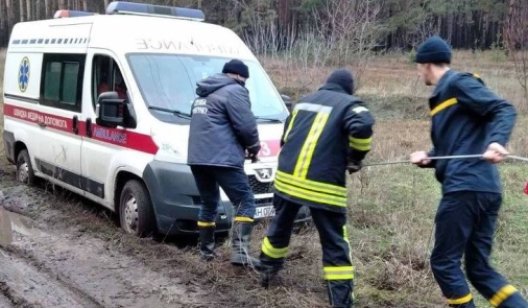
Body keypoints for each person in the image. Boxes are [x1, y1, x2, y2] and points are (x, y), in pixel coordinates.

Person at [410, 36, 528, 308]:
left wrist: (497, 141)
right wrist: (428, 157)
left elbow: (504, 108)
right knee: (478, 269)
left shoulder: (458, 82)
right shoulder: (444, 98)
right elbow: (455, 146)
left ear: (426, 64)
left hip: (464, 189)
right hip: (485, 189)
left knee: (443, 263)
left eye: (418, 66)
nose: (418, 72)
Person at [258, 69, 375, 308]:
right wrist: (355, 157)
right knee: (334, 242)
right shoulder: (351, 105)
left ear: (327, 84)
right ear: (348, 88)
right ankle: (341, 301)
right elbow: (363, 125)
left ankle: (267, 271)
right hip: (322, 187)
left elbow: (285, 138)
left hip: (286, 180)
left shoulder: (303, 102)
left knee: (279, 227)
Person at [188, 59, 261, 266]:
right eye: (244, 80)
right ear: (238, 76)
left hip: (197, 158)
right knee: (245, 202)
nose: (244, 84)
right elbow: (246, 126)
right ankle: (240, 253)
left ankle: (206, 253)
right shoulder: (234, 91)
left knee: (208, 203)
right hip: (222, 158)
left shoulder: (203, 94)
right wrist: (254, 147)